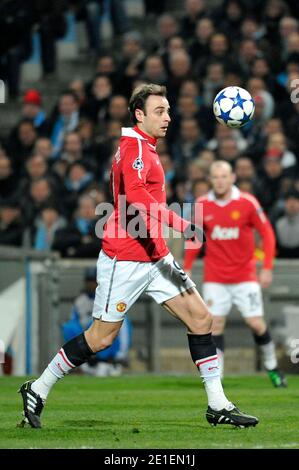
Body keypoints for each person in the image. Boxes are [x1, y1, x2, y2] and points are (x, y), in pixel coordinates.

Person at [18, 84, 258, 429]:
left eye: (169, 110)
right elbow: (137, 197)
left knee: (201, 320)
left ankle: (217, 404)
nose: (168, 117)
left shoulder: (144, 146)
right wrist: (181, 224)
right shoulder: (135, 149)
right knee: (101, 338)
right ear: (139, 114)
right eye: (159, 111)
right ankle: (37, 389)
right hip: (126, 258)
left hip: (155, 257)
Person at [184, 160, 287, 388]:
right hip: (215, 277)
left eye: (224, 176)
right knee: (215, 324)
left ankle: (272, 367)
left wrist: (267, 267)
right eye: (215, 176)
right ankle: (217, 377)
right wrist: (188, 266)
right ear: (210, 180)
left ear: (232, 178)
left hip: (245, 276)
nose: (220, 181)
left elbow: (267, 234)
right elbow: (194, 238)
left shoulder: (247, 202)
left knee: (255, 323)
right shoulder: (202, 204)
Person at [62, 267, 132, 377]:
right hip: (87, 343)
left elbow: (123, 326)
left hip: (106, 346)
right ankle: (79, 362)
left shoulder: (110, 299)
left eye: (93, 281)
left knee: (102, 325)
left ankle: (107, 362)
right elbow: (74, 324)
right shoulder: (80, 301)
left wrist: (121, 354)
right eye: (88, 281)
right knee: (69, 327)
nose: (91, 284)